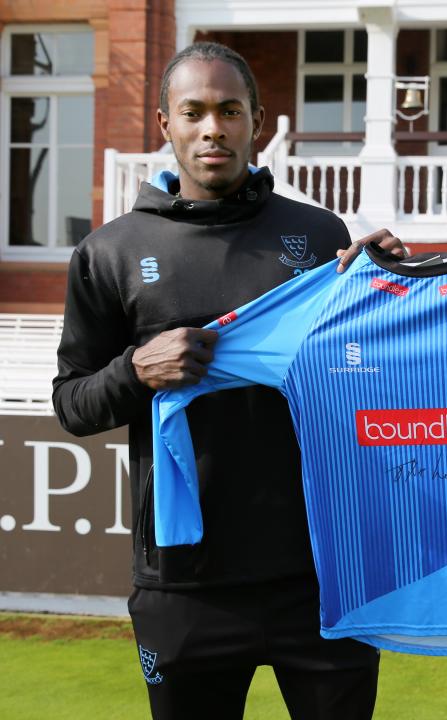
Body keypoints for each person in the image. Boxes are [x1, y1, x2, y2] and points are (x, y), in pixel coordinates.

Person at [53, 42, 405, 720]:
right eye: (194, 113)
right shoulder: (112, 251)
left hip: (321, 575)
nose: (212, 128)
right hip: (184, 584)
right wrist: (137, 369)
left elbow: (366, 373)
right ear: (166, 124)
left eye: (230, 111)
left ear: (257, 121)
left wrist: (394, 291)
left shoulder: (319, 236)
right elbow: (72, 403)